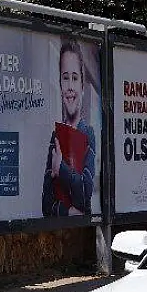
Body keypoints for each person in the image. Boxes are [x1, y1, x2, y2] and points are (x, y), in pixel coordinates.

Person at [42, 38, 96, 216]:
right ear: (59, 84)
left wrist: (61, 170)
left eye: (75, 78)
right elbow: (46, 205)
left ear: (82, 85)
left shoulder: (88, 133)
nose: (70, 86)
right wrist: (69, 211)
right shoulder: (55, 136)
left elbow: (85, 195)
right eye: (65, 78)